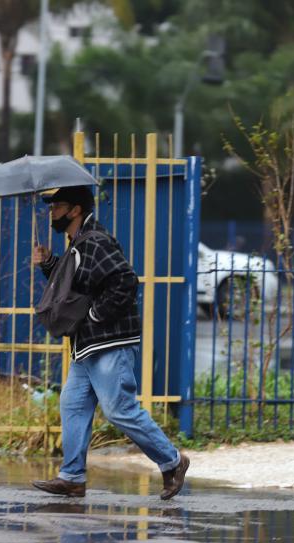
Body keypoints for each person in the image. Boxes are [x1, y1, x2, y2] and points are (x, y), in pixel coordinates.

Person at [30, 185, 189, 500]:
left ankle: (173, 461)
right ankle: (73, 477)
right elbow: (72, 288)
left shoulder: (97, 241)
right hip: (87, 346)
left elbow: (126, 282)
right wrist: (48, 264)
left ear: (75, 209)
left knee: (119, 410)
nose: (52, 211)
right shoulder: (78, 243)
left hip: (108, 342)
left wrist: (95, 315)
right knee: (72, 404)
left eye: (57, 205)